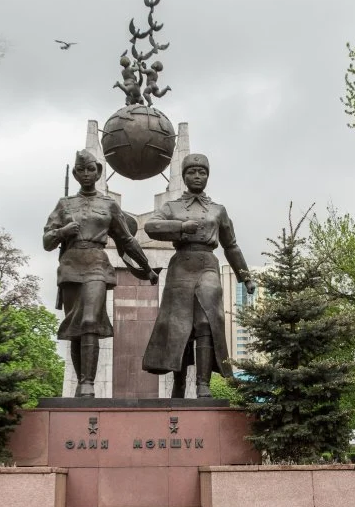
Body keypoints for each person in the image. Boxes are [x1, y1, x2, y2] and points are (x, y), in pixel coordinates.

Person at [43, 149, 157, 397]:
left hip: (97, 263)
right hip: (71, 266)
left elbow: (127, 240)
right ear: (75, 173)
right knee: (75, 328)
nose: (86, 174)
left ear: (98, 172)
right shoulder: (64, 205)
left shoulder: (108, 205)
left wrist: (146, 267)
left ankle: (88, 384)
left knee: (89, 321)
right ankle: (80, 384)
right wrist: (63, 231)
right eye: (81, 170)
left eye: (91, 169)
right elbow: (47, 241)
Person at [142, 153, 255, 397]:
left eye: (202, 172)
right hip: (181, 265)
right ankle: (179, 383)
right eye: (192, 172)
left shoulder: (218, 210)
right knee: (179, 326)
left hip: (207, 264)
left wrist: (245, 277)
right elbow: (151, 227)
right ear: (184, 176)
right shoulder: (172, 207)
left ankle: (202, 384)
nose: (197, 176)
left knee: (206, 321)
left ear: (207, 176)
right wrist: (180, 227)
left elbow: (231, 246)